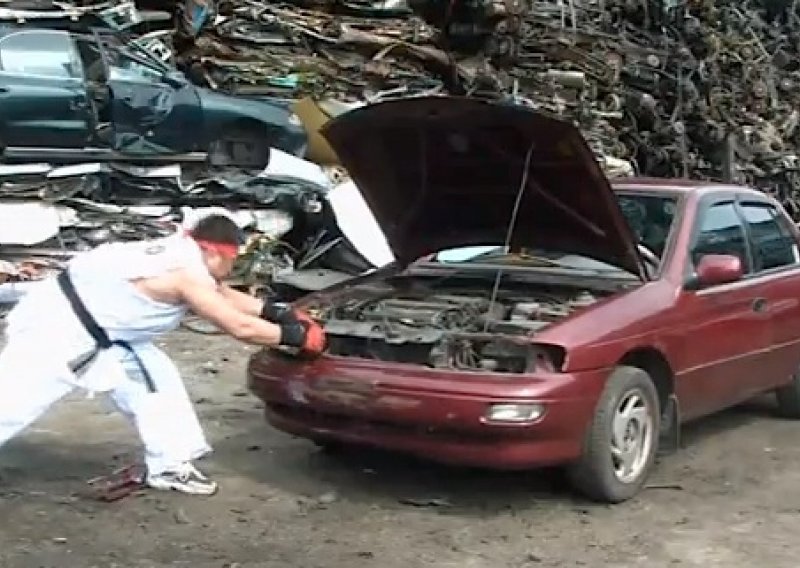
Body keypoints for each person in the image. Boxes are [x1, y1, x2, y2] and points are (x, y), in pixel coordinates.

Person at [0, 212, 325, 496]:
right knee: (13, 402)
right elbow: (239, 326)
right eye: (232, 259)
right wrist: (296, 337)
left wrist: (278, 312)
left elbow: (221, 293)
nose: (233, 267)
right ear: (214, 252)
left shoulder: (184, 253)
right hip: (58, 330)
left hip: (110, 333)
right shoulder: (184, 274)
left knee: (156, 383)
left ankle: (169, 465)